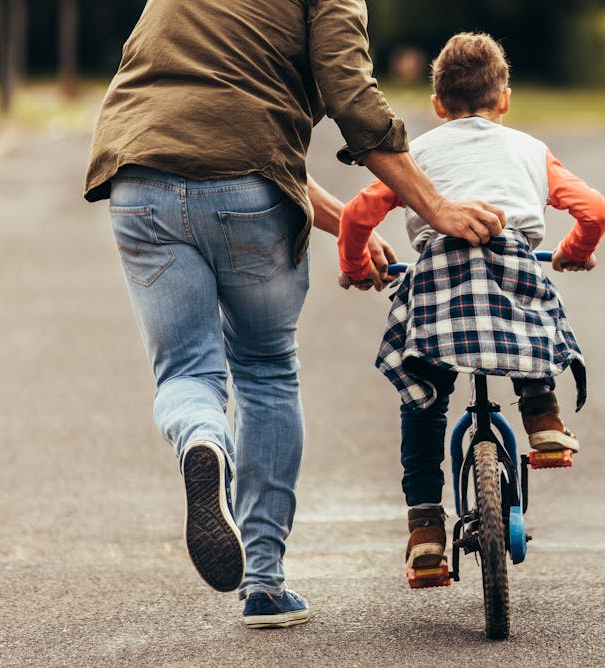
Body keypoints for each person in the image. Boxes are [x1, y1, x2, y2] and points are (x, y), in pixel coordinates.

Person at [83, 1, 506, 628]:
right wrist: (436, 206)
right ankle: (263, 584)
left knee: (185, 375)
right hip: (248, 191)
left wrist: (344, 227)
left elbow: (215, 126)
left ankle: (203, 442)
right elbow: (347, 96)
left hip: (138, 176)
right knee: (265, 369)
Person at [336, 32, 605, 587]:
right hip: (512, 269)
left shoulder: (415, 158)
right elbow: (595, 210)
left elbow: (356, 215)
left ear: (438, 106)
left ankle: (425, 534)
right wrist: (574, 252)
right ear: (504, 98)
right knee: (532, 314)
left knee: (425, 399)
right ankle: (543, 418)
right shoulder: (531, 151)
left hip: (439, 285)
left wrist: (356, 264)